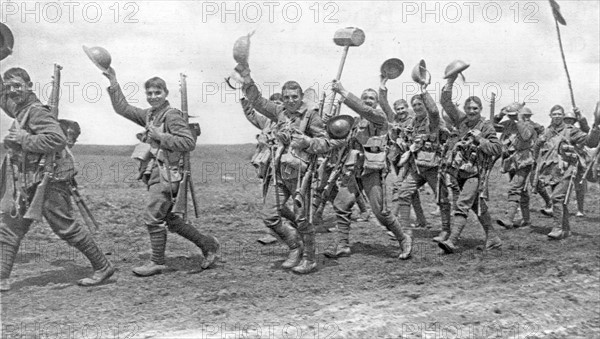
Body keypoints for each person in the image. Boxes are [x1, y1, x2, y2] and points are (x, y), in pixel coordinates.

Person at [0, 67, 114, 291]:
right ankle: (1, 277)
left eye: (17, 86)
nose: (13, 91)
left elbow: (57, 139)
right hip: (29, 180)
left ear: (29, 86)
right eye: (9, 86)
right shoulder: (19, 107)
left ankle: (103, 266)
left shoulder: (36, 111)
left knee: (66, 228)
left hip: (48, 182)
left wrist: (24, 138)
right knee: (10, 227)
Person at [102, 67, 220, 276]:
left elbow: (188, 142)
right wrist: (113, 81)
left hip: (168, 173)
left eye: (158, 93)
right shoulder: (150, 115)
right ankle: (208, 244)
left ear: (165, 93)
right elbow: (123, 109)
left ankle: (157, 261)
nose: (153, 97)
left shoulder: (171, 115)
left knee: (152, 215)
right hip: (155, 171)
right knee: (171, 219)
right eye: (149, 93)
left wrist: (159, 136)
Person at [238, 65, 333, 274]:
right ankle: (294, 246)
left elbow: (326, 143)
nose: (290, 100)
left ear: (301, 97)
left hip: (301, 176)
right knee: (270, 216)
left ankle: (309, 259)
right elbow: (257, 101)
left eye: (294, 96)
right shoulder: (278, 112)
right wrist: (247, 79)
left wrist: (307, 141)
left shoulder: (311, 117)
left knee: (303, 220)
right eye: (287, 96)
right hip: (279, 173)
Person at [325, 81, 413, 260]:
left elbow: (366, 111)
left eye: (371, 98)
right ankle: (342, 245)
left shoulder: (379, 118)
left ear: (377, 102)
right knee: (341, 205)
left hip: (372, 172)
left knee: (381, 213)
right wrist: (329, 119)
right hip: (353, 170)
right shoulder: (355, 123)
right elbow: (338, 134)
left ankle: (403, 238)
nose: (368, 101)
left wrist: (343, 91)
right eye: (365, 98)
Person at [439, 72, 503, 254]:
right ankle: (493, 238)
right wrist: (450, 81)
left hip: (476, 173)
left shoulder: (486, 127)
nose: (472, 111)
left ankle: (452, 241)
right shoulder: (461, 122)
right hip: (459, 172)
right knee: (476, 206)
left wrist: (480, 140)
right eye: (469, 108)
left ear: (480, 109)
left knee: (462, 204)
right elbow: (446, 103)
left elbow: (497, 149)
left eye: (475, 108)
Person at [534, 105, 600, 239]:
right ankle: (566, 230)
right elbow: (537, 148)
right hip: (551, 171)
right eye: (554, 114)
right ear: (550, 115)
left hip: (567, 170)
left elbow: (591, 142)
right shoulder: (547, 132)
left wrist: (594, 128)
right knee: (561, 201)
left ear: (563, 116)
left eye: (559, 114)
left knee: (556, 198)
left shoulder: (571, 131)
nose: (557, 116)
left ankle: (557, 228)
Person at [379, 77, 428, 228]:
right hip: (395, 159)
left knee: (398, 187)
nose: (400, 111)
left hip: (408, 159)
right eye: (398, 109)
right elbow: (384, 104)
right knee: (411, 193)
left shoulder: (413, 121)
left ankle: (393, 221)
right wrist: (382, 85)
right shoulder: (394, 119)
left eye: (403, 108)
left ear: (407, 108)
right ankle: (421, 221)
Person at [241, 93, 282, 244]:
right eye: (273, 103)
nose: (275, 107)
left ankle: (282, 231)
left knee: (281, 201)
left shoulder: (289, 122)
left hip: (285, 167)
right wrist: (245, 101)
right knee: (269, 199)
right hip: (268, 168)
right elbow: (252, 115)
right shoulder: (267, 122)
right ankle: (274, 231)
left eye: (278, 103)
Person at [494, 103, 537, 229]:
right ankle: (526, 220)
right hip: (511, 161)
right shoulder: (507, 124)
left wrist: (519, 120)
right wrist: (499, 116)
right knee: (522, 191)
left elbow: (525, 136)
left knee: (515, 188)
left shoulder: (529, 125)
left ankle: (509, 219)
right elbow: (492, 127)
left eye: (515, 115)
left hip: (524, 160)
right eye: (510, 115)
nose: (512, 117)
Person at [563, 109, 589, 217]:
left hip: (578, 160)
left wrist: (581, 118)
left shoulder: (577, 131)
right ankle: (563, 208)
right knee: (563, 186)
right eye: (567, 119)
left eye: (571, 120)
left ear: (574, 121)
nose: (569, 122)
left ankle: (580, 209)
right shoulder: (561, 131)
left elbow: (587, 131)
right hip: (565, 160)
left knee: (579, 186)